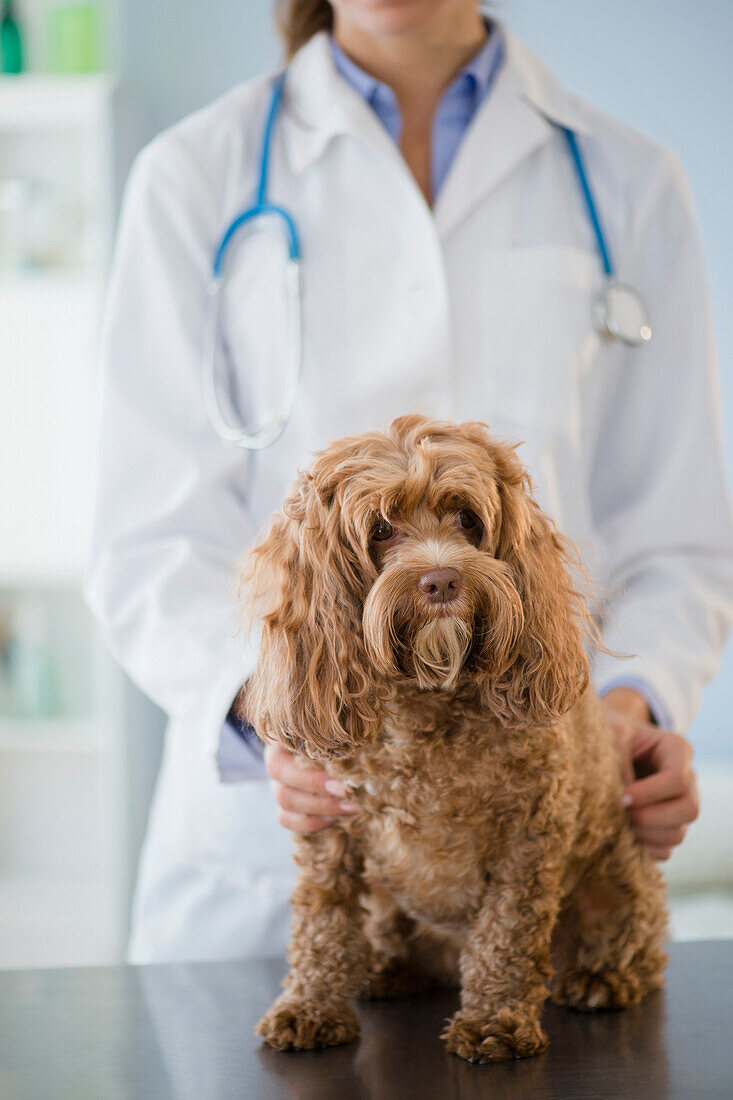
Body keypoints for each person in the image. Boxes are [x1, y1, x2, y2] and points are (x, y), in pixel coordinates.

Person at [86, 0, 733, 964]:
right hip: (269, 868)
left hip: (530, 852)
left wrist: (622, 720)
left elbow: (675, 531)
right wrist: (275, 717)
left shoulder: (624, 179)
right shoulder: (195, 173)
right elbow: (146, 540)